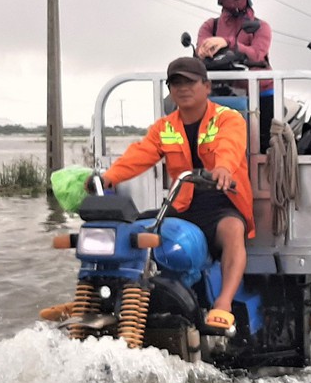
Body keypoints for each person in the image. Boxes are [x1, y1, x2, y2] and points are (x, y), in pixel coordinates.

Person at [99, 56, 255, 331]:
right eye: (175, 83)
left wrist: (222, 168)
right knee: (130, 231)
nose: (183, 88)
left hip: (222, 201)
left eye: (190, 82)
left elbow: (230, 146)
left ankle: (223, 304)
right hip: (182, 203)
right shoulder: (164, 127)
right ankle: (106, 298)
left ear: (206, 87)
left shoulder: (228, 118)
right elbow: (140, 154)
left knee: (233, 231)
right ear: (170, 90)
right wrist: (108, 177)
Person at [196, 0, 275, 151]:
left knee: (262, 147)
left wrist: (227, 42)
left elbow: (257, 53)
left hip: (258, 92)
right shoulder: (210, 25)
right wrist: (204, 50)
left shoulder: (261, 27)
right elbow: (203, 47)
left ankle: (264, 172)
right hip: (217, 90)